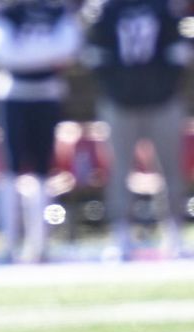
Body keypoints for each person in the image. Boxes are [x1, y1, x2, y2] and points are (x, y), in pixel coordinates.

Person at [82, 0, 192, 260]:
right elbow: (94, 55)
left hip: (162, 101)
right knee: (119, 169)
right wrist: (118, 89)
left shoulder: (163, 7)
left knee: (170, 168)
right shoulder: (105, 10)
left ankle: (173, 232)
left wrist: (163, 86)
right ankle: (121, 235)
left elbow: (179, 52)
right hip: (120, 103)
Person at [0, 0, 82, 262]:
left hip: (48, 94)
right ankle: (9, 243)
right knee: (9, 171)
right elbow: (0, 51)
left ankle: (39, 244)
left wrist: (28, 53)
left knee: (42, 171)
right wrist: (45, 53)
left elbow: (69, 45)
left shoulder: (57, 11)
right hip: (12, 95)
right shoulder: (5, 12)